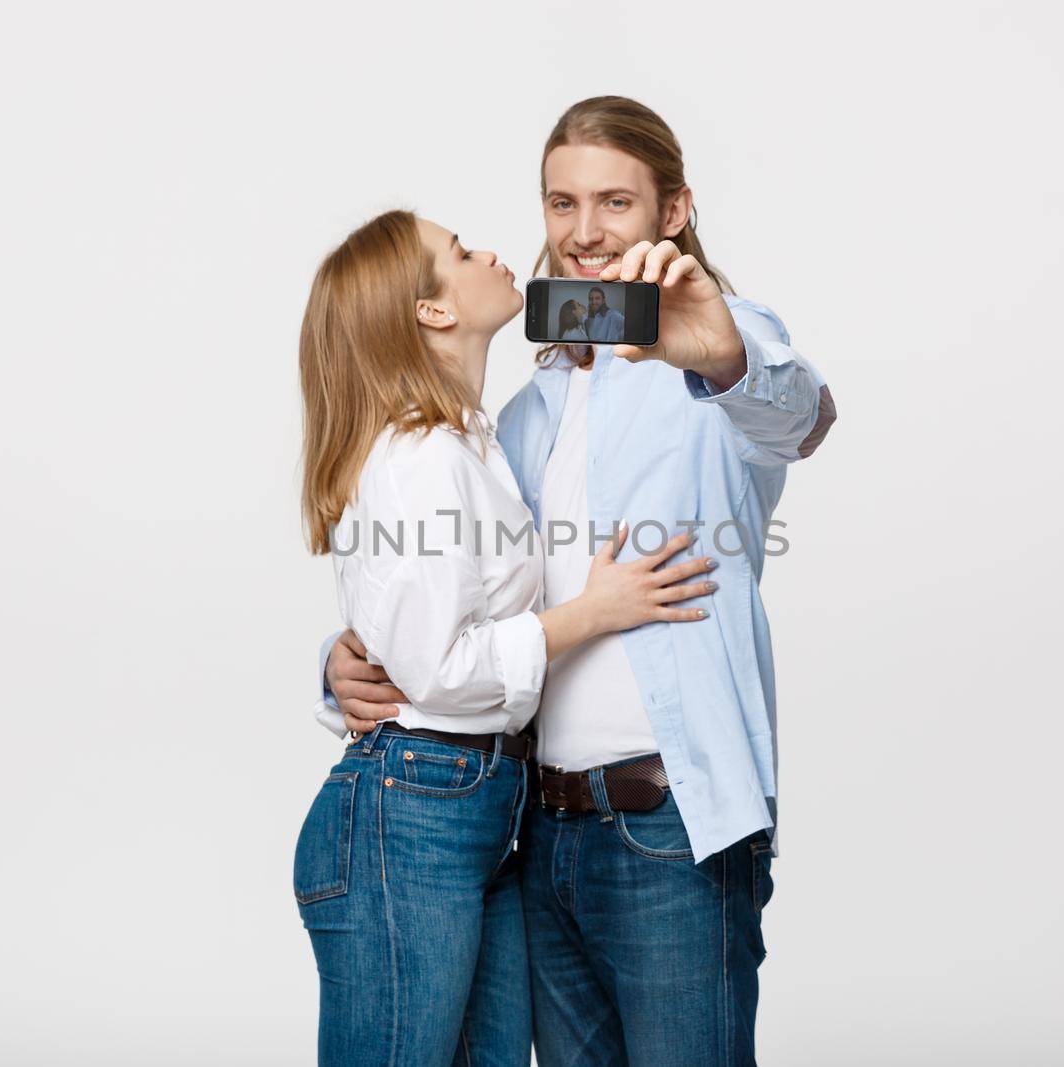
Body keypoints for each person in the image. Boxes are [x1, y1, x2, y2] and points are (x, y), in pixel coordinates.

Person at [322, 96, 839, 1065]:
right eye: (563, 204)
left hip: (671, 832)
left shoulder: (717, 354)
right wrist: (344, 661)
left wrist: (719, 351)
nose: (586, 231)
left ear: (673, 211)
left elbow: (800, 417)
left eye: (614, 203)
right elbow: (454, 591)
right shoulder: (519, 414)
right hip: (537, 838)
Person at [294, 209, 717, 1067]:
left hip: (481, 803)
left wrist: (347, 662)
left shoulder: (478, 441)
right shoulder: (425, 458)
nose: (491, 251)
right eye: (458, 252)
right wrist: (594, 611)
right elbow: (442, 664)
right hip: (415, 806)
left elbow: (422, 626)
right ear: (433, 312)